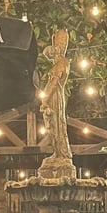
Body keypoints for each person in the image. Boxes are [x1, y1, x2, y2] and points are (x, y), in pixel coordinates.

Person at [40, 29, 73, 161]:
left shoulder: (62, 63)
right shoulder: (57, 63)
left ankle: (62, 153)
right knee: (53, 126)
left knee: (57, 124)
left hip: (56, 96)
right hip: (53, 95)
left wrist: (45, 98)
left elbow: (53, 82)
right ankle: (57, 152)